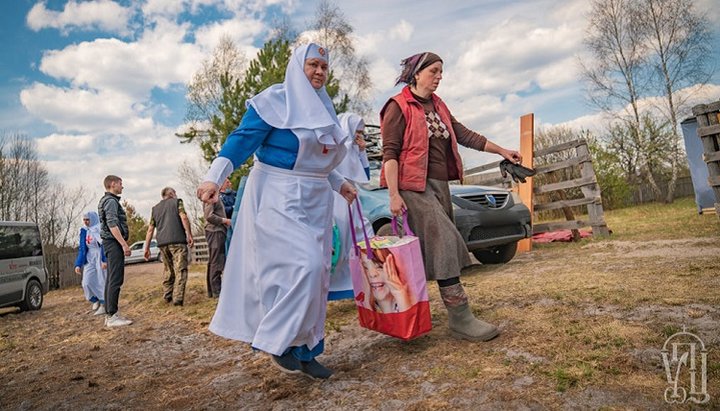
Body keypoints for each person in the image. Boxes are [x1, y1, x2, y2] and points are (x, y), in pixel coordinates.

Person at [197, 43, 356, 380]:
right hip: (278, 196)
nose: (319, 72)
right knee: (305, 267)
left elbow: (320, 160)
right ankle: (278, 341)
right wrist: (214, 177)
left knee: (317, 278)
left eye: (324, 68)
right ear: (298, 66)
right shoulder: (274, 101)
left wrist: (339, 183)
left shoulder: (324, 110)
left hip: (316, 200)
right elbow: (241, 140)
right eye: (313, 64)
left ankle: (307, 350)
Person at [380, 52, 522, 342]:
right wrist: (394, 194)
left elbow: (465, 135)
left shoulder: (438, 105)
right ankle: (461, 318)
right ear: (417, 73)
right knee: (445, 240)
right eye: (434, 71)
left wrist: (502, 151)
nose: (439, 76)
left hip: (439, 184)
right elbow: (390, 154)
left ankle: (426, 312)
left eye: (441, 71)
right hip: (412, 187)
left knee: (435, 249)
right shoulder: (398, 106)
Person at [328, 112, 374, 301]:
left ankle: (363, 280)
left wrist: (362, 152)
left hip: (353, 198)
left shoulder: (356, 151)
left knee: (363, 234)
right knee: (341, 241)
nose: (359, 137)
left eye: (361, 133)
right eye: (357, 133)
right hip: (337, 199)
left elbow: (364, 175)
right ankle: (335, 286)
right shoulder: (336, 149)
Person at [144, 187, 194, 306]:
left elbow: (150, 229)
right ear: (171, 194)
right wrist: (189, 234)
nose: (176, 195)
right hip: (177, 241)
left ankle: (167, 295)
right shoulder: (178, 202)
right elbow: (184, 217)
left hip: (162, 244)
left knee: (168, 270)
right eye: (175, 193)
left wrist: (146, 248)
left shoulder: (155, 209)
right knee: (180, 269)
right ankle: (177, 298)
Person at [98, 175, 133, 327]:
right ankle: (111, 316)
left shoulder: (106, 200)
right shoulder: (111, 201)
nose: (122, 186)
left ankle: (110, 313)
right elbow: (112, 224)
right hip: (113, 243)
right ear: (112, 184)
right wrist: (124, 244)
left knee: (111, 278)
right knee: (115, 279)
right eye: (120, 183)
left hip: (109, 243)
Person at [358, 247, 413, 313]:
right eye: (365, 268)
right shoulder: (364, 305)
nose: (372, 274)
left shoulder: (408, 300)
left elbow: (410, 321)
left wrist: (400, 294)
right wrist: (366, 298)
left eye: (380, 266)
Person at [73, 211, 108, 316]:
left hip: (99, 256)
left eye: (87, 220)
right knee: (86, 282)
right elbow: (82, 249)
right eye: (84, 220)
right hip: (89, 257)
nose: (86, 222)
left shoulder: (99, 229)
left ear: (93, 219)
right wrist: (78, 264)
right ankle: (95, 299)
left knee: (101, 280)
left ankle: (103, 304)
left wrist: (104, 260)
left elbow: (104, 245)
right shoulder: (84, 231)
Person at [204, 179, 231, 298]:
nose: (229, 183)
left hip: (217, 231)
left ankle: (212, 291)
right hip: (215, 231)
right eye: (226, 181)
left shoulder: (215, 196)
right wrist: (224, 220)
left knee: (213, 260)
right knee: (216, 261)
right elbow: (209, 216)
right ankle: (217, 291)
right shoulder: (211, 195)